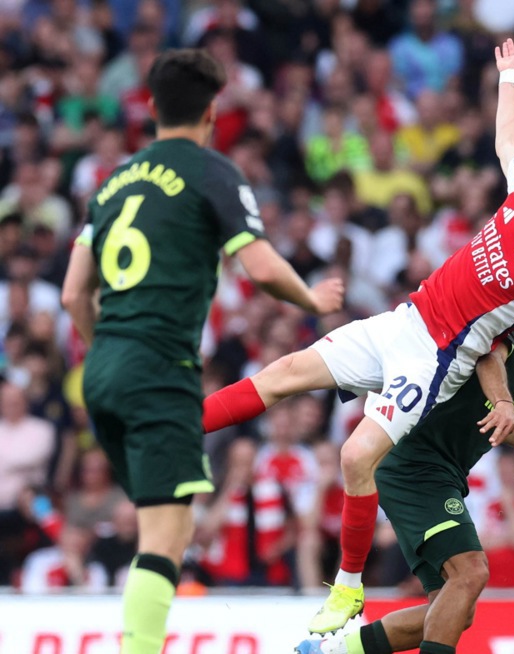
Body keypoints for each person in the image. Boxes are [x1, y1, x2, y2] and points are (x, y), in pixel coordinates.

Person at [200, 38, 514, 635]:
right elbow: (509, 141)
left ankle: (347, 591)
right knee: (284, 374)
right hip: (403, 320)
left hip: (434, 361)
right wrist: (509, 77)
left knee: (354, 455)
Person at [60, 49, 344, 654]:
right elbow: (262, 267)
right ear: (213, 110)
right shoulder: (213, 172)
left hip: (102, 369)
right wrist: (313, 299)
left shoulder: (113, 180)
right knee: (166, 534)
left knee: (162, 521)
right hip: (159, 368)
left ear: (153, 107)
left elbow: (71, 293)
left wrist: (107, 349)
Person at [301, 330, 514, 654]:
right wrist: (503, 401)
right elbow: (488, 358)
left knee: (455, 608)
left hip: (434, 472)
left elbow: (511, 425)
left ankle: (332, 651)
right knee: (471, 572)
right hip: (415, 466)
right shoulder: (503, 326)